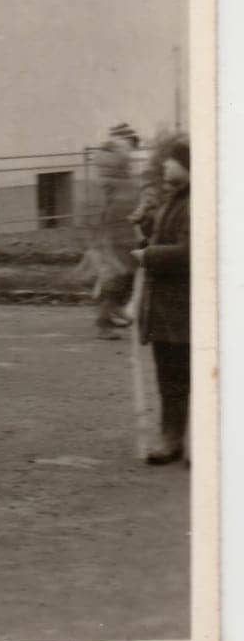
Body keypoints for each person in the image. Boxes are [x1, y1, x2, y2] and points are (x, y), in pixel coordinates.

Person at [134, 135, 190, 466]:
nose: (165, 164)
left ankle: (184, 441)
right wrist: (146, 231)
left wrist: (148, 255)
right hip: (168, 307)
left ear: (188, 167)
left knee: (184, 375)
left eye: (172, 160)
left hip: (183, 305)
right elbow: (162, 237)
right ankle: (173, 439)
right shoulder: (174, 199)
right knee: (169, 376)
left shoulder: (195, 202)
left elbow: (190, 253)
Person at [91, 123, 142, 338]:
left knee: (124, 272)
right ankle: (104, 322)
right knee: (115, 274)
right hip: (116, 230)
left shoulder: (120, 172)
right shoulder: (115, 169)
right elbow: (107, 205)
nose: (132, 151)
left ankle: (114, 311)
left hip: (123, 228)